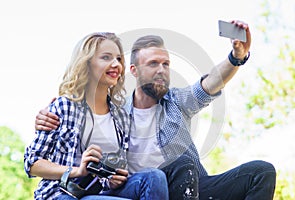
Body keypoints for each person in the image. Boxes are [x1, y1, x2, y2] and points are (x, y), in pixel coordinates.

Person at [35, 20, 276, 200]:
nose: (162, 70)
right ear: (134, 70)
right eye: (153, 64)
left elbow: (211, 83)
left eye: (166, 64)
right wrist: (48, 115)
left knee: (260, 172)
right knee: (177, 165)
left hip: (193, 187)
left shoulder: (177, 102)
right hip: (146, 190)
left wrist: (236, 57)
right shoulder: (115, 114)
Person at [24, 32, 169, 200]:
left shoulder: (120, 117)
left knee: (154, 177)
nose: (116, 64)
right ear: (86, 63)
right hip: (63, 194)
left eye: (118, 59)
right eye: (106, 57)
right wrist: (77, 171)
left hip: (100, 193)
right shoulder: (64, 106)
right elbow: (32, 163)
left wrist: (113, 180)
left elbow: (110, 173)